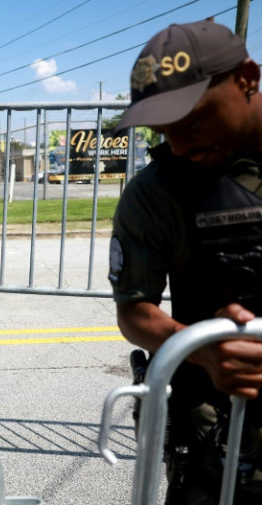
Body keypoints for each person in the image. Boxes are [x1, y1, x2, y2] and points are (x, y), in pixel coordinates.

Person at [110, 21, 262, 504]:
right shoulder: (155, 192)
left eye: (192, 120)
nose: (178, 144)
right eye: (161, 131)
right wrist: (199, 348)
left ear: (247, 79)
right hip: (219, 432)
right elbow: (135, 311)